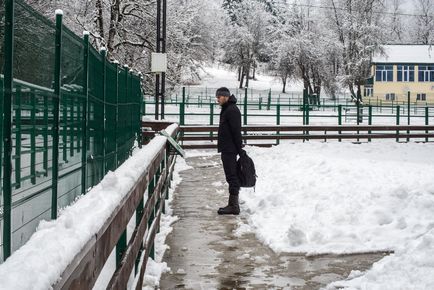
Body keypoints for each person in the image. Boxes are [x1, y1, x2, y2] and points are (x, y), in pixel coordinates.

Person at [215, 87, 243, 215]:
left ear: (225, 97)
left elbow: (236, 131)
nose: (217, 100)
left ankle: (234, 206)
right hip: (227, 148)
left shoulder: (232, 110)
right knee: (230, 176)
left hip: (230, 149)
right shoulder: (227, 109)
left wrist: (239, 149)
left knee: (232, 176)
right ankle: (232, 204)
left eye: (219, 97)